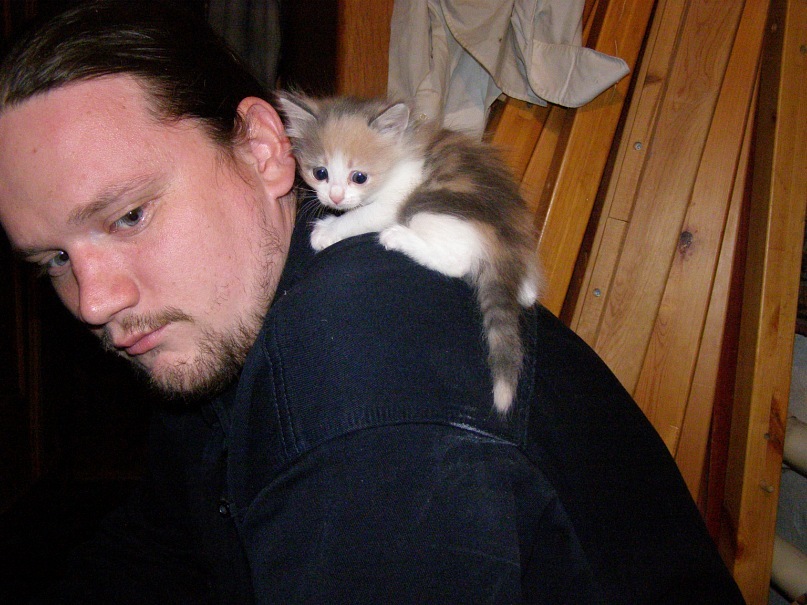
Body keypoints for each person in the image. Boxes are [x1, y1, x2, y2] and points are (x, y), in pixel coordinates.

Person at [0, 2, 745, 603]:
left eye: (129, 216)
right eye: (55, 259)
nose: (94, 301)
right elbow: (163, 546)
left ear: (263, 149)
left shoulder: (361, 380)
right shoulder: (210, 318)